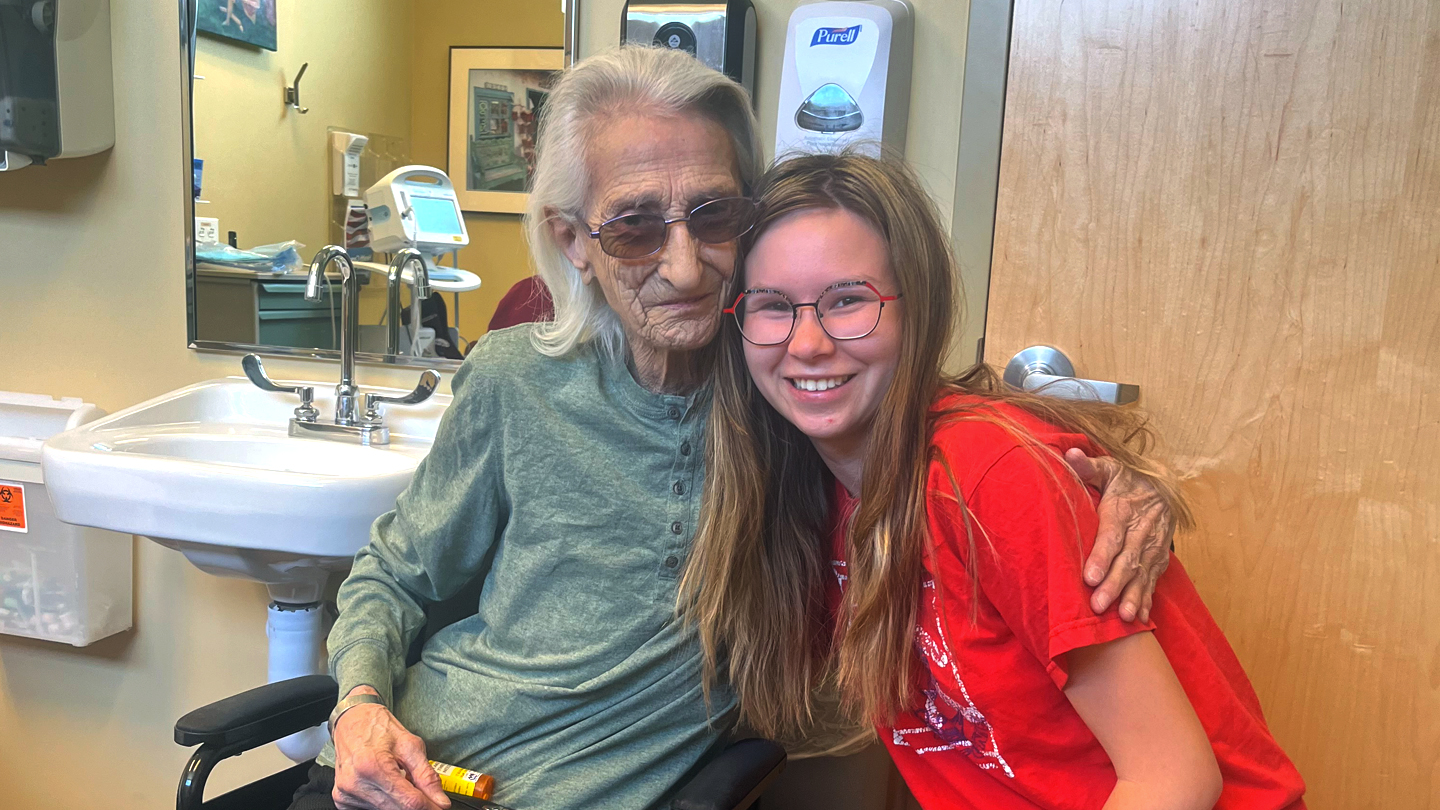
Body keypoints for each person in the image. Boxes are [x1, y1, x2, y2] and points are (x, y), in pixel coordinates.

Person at [300, 48, 1177, 810]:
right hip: (406, 762)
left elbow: (938, 415)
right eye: (635, 228)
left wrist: (1125, 481)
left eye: (714, 215)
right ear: (573, 239)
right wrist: (360, 707)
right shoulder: (512, 379)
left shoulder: (791, 392)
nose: (685, 269)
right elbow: (396, 574)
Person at [683, 152, 1308, 809]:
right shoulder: (814, 494)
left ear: (914, 312)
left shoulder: (985, 476)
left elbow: (1176, 777)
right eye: (773, 307)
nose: (806, 343)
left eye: (847, 301)